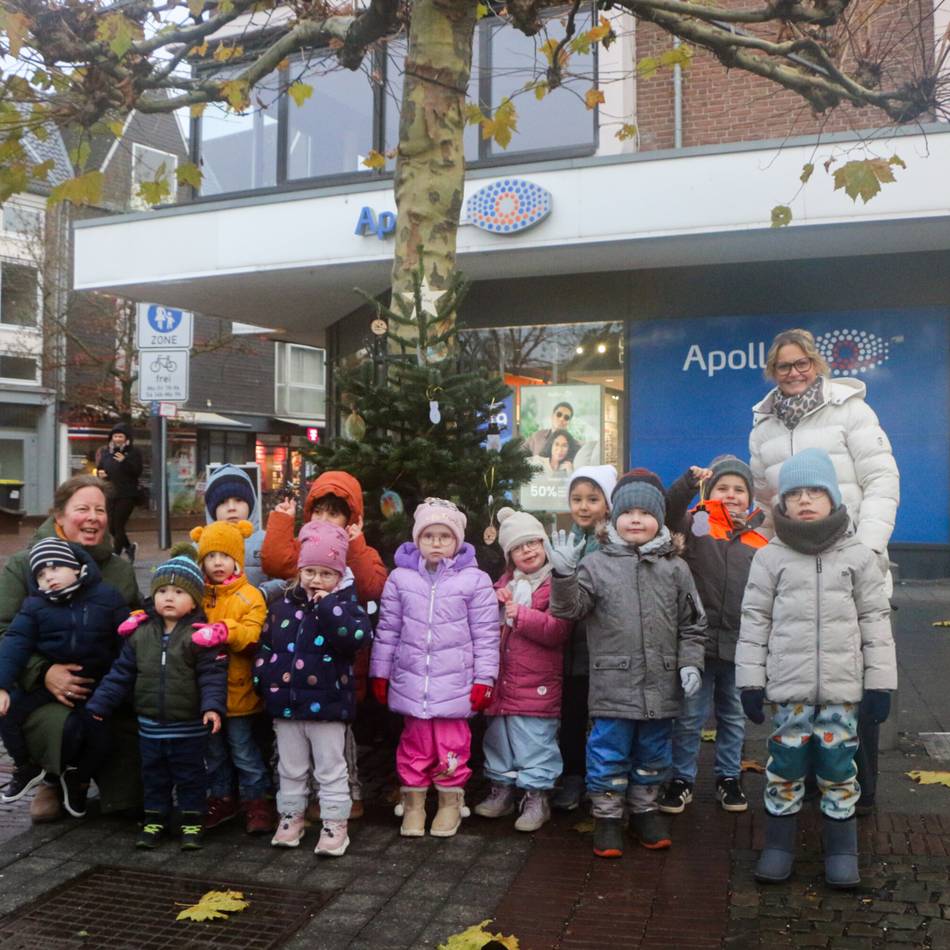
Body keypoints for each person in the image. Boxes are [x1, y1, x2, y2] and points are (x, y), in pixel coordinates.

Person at [749, 328, 899, 813]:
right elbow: (764, 500)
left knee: (850, 678)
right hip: (793, 571)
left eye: (802, 363)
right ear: (772, 371)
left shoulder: (851, 410)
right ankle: (805, 787)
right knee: (798, 678)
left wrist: (867, 550)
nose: (793, 373)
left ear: (816, 364)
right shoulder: (763, 427)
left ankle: (856, 798)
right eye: (784, 365)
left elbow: (882, 480)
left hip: (850, 566)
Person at [736, 448, 896, 888]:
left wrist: (880, 684)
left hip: (843, 691)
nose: (805, 500)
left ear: (833, 498)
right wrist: (750, 681)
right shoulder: (770, 557)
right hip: (789, 690)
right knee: (785, 764)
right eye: (795, 494)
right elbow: (754, 621)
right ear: (783, 503)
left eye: (815, 491)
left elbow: (875, 621)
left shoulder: (857, 556)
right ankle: (779, 845)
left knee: (839, 767)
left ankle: (842, 849)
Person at [548, 469, 707, 859]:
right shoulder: (596, 564)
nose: (636, 520)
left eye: (645, 513)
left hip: (661, 685)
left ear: (660, 519)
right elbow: (570, 609)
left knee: (654, 752)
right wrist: (564, 575)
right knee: (608, 751)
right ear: (614, 517)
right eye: (628, 513)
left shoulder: (676, 568)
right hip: (612, 686)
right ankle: (606, 816)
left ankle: (644, 810)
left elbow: (692, 624)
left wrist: (690, 663)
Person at [0, 475, 142, 822]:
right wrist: (43, 672)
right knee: (55, 724)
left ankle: (81, 778)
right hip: (43, 692)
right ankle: (50, 776)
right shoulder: (24, 565)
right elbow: (5, 632)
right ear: (59, 516)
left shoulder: (119, 570)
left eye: (100, 510)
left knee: (129, 800)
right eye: (82, 509)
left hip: (104, 686)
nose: (93, 517)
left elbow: (133, 627)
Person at [370, 498, 498, 838]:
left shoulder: (475, 581)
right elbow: (388, 630)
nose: (436, 543)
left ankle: (449, 802)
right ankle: (414, 805)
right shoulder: (400, 579)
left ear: (457, 540)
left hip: (455, 685)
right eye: (429, 536)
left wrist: (485, 679)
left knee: (452, 747)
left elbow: (486, 635)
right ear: (417, 539)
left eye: (444, 536)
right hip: (413, 684)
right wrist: (380, 673)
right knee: (414, 746)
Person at [86, 548, 227, 850]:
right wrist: (100, 703)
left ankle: (192, 820)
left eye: (178, 592)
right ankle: (155, 819)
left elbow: (212, 676)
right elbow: (121, 673)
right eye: (162, 591)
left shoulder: (199, 637)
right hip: (150, 727)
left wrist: (212, 707)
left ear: (194, 600)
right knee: (153, 777)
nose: (169, 597)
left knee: (191, 776)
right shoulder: (140, 635)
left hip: (188, 727)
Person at [657, 455, 767, 816]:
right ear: (709, 492)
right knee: (690, 717)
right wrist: (687, 484)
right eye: (722, 487)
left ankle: (728, 777)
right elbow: (668, 513)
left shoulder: (759, 541)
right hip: (697, 646)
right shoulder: (695, 525)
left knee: (733, 717)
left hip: (740, 646)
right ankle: (682, 778)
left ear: (749, 497)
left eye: (739, 489)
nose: (731, 494)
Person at [255, 521, 371, 857]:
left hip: (328, 706)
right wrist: (262, 678)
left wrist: (328, 607)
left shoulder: (346, 607)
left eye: (326, 573)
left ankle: (335, 823)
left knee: (330, 769)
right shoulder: (282, 606)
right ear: (300, 571)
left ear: (339, 575)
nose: (316, 579)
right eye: (310, 571)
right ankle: (291, 817)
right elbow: (266, 645)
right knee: (290, 767)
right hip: (286, 705)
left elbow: (358, 638)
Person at [474, 507, 572, 832]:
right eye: (518, 547)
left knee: (535, 741)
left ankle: (536, 796)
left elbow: (558, 630)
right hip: (503, 683)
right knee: (499, 739)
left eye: (533, 543)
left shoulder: (554, 584)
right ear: (509, 556)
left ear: (544, 544)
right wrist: (495, 601)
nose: (527, 550)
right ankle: (501, 789)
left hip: (537, 683)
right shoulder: (503, 583)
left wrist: (522, 615)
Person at [189, 518, 272, 834]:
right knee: (213, 753)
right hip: (206, 695)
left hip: (239, 693)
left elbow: (253, 634)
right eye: (210, 556)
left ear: (237, 558)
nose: (217, 563)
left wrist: (227, 631)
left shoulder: (249, 596)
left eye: (224, 556)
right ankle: (221, 798)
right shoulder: (198, 595)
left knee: (243, 751)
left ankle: (256, 800)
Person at [550, 464, 617, 812]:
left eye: (593, 499)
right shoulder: (567, 540)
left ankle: (601, 779)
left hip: (601, 650)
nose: (584, 506)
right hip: (570, 650)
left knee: (602, 719)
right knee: (572, 716)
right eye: (577, 499)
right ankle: (573, 776)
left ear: (607, 504)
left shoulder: (613, 543)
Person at [203, 464, 269, 588]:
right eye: (222, 502)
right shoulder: (201, 545)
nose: (231, 508)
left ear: (251, 504)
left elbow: (284, 580)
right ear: (212, 510)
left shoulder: (267, 541)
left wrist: (264, 593)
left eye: (239, 500)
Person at [95, 423, 143, 563]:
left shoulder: (133, 452)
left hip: (127, 494)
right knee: (111, 527)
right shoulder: (106, 452)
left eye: (120, 436)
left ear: (126, 438)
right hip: (110, 493)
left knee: (119, 525)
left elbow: (137, 471)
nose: (117, 439)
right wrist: (100, 473)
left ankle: (115, 555)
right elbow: (100, 468)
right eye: (115, 436)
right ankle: (128, 547)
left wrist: (124, 461)